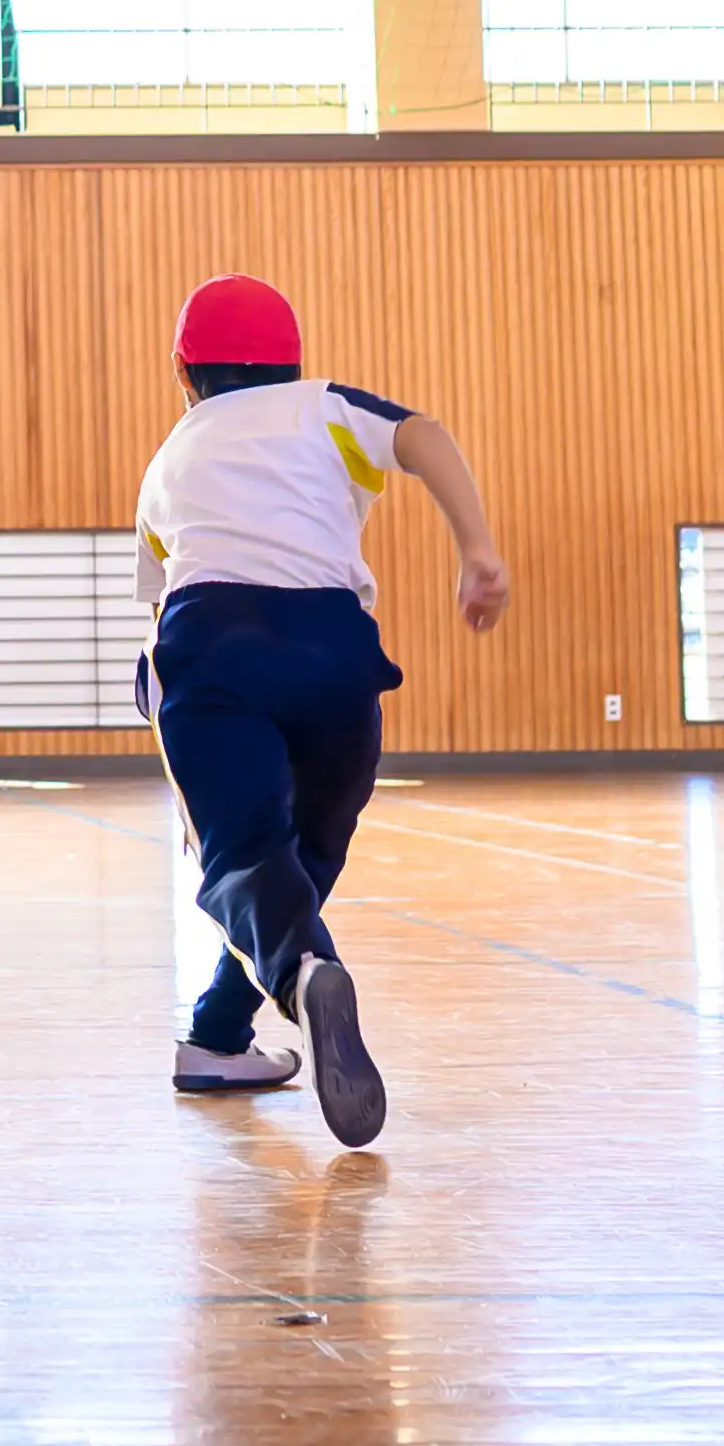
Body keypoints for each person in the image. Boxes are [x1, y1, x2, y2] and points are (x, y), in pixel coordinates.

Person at [142, 273, 506, 1149]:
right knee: (307, 855)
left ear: (183, 375)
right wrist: (478, 550)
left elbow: (162, 628)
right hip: (334, 654)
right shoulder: (326, 406)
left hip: (213, 643)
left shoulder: (168, 462)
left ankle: (307, 979)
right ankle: (219, 1037)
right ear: (294, 360)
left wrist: (195, 812)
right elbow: (421, 435)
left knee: (243, 863)